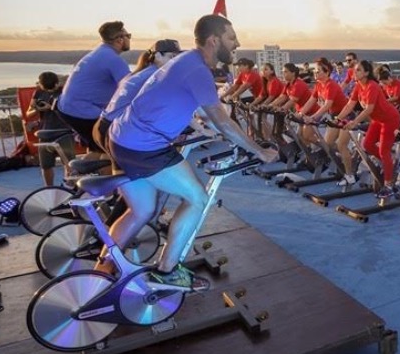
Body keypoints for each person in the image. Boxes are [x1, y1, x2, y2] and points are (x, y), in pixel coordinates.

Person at [106, 15, 277, 290]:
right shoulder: (197, 70)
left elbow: (183, 102)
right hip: (145, 148)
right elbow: (223, 121)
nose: (238, 43)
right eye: (232, 38)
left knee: (142, 210)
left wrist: (205, 126)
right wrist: (260, 151)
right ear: (214, 41)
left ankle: (103, 268)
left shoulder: (185, 62)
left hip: (121, 139)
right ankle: (167, 271)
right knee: (197, 198)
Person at [55, 20, 131, 157]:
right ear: (120, 39)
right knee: (114, 148)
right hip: (82, 111)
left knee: (97, 147)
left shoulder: (98, 53)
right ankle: (106, 176)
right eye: (128, 35)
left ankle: (78, 174)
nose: (129, 39)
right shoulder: (113, 60)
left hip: (67, 108)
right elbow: (131, 88)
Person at [94, 39, 182, 156]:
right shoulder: (157, 76)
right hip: (115, 130)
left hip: (102, 125)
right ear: (157, 56)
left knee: (109, 164)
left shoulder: (139, 72)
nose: (175, 61)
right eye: (171, 57)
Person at [336, 60, 400, 199]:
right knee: (367, 145)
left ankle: (389, 185)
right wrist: (337, 118)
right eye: (355, 70)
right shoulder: (358, 86)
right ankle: (388, 163)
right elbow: (350, 105)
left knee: (384, 150)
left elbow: (369, 109)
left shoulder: (372, 86)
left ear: (366, 72)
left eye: (358, 70)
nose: (355, 72)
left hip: (390, 119)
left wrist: (354, 122)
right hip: (378, 120)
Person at [299, 57, 355, 185]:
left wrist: (313, 118)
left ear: (327, 72)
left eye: (318, 71)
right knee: (327, 145)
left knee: (341, 145)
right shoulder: (319, 85)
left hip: (346, 117)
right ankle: (348, 157)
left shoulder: (331, 85)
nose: (315, 73)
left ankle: (350, 176)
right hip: (335, 118)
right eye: (315, 70)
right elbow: (311, 101)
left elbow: (327, 106)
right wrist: (300, 113)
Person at [26, 71, 76, 186]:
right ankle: (49, 189)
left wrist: (53, 107)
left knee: (69, 164)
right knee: (46, 165)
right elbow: (28, 113)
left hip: (64, 131)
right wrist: (37, 110)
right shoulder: (38, 92)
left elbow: (71, 110)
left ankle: (69, 187)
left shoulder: (65, 91)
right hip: (45, 132)